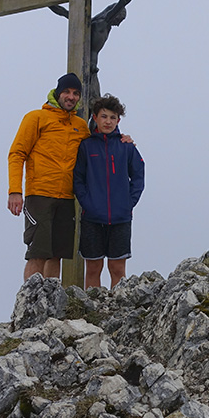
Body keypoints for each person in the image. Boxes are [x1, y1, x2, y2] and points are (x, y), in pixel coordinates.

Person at [7, 73, 91, 280]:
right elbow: (17, 154)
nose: (71, 97)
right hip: (39, 195)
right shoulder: (36, 117)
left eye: (75, 94)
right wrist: (15, 191)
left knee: (57, 255)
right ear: (57, 93)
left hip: (66, 197)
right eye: (67, 92)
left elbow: (95, 149)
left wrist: (123, 138)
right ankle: (31, 306)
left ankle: (51, 302)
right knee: (38, 253)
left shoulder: (80, 126)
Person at [73, 94, 145, 289]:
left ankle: (116, 311)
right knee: (94, 268)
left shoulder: (126, 147)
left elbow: (138, 175)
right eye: (104, 116)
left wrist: (128, 202)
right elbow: (77, 178)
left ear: (118, 120)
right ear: (95, 118)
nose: (108, 121)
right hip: (92, 218)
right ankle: (92, 311)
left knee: (117, 269)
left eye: (113, 117)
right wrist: (87, 203)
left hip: (121, 217)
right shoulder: (86, 146)